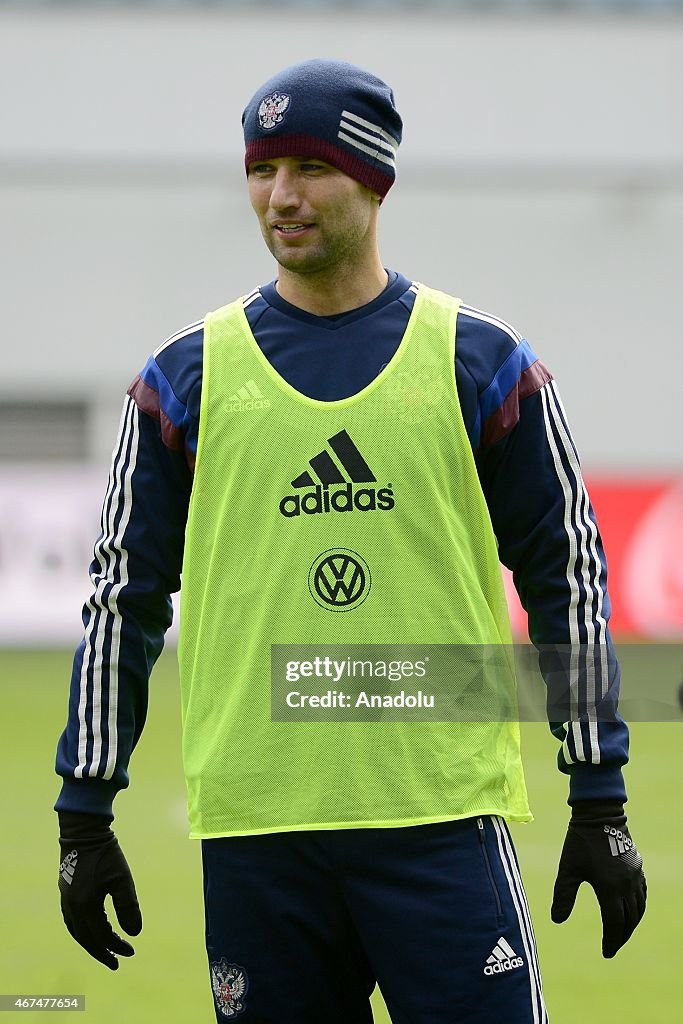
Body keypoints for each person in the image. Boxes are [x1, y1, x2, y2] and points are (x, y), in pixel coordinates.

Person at [55, 59, 647, 1023]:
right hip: (259, 837)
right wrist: (85, 814)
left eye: (307, 168)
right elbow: (121, 596)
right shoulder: (183, 377)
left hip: (438, 823)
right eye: (260, 169)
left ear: (373, 181)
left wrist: (599, 795)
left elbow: (566, 574)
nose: (279, 196)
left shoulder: (481, 363)